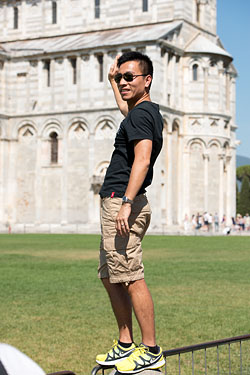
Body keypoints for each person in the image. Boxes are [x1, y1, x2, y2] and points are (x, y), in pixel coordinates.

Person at [96, 51, 165, 374]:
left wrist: (126, 201)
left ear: (146, 80)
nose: (124, 82)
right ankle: (126, 344)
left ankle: (150, 349)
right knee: (111, 276)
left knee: (131, 276)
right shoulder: (142, 112)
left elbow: (143, 159)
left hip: (122, 202)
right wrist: (112, 81)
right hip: (116, 200)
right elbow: (126, 111)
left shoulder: (140, 116)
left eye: (129, 77)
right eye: (120, 77)